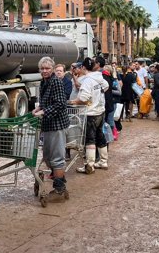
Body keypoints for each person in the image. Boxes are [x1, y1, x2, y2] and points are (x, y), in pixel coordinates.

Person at [32, 56, 70, 201]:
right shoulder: (44, 82)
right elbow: (45, 102)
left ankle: (59, 188)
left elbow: (60, 104)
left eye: (47, 68)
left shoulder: (56, 82)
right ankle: (61, 182)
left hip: (57, 125)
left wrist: (44, 112)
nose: (44, 71)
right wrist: (38, 109)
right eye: (42, 68)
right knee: (48, 157)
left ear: (53, 69)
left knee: (56, 158)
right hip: (47, 125)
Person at [71, 57, 109, 173]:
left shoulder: (88, 80)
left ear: (83, 68)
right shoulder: (99, 77)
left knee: (90, 139)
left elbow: (83, 98)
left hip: (91, 113)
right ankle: (103, 161)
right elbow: (106, 86)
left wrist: (73, 102)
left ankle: (90, 165)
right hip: (100, 111)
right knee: (100, 136)